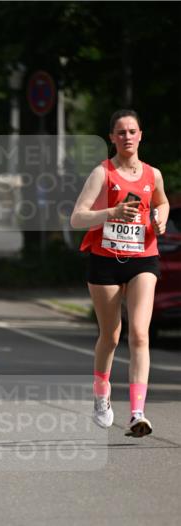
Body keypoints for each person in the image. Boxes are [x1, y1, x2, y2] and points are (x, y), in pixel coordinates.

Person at [71, 109, 169, 438]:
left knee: (139, 334)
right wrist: (111, 211)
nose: (127, 137)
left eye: (132, 131)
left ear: (141, 135)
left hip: (143, 257)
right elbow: (77, 219)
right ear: (112, 138)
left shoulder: (152, 174)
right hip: (105, 260)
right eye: (120, 132)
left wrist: (161, 218)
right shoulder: (103, 173)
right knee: (111, 336)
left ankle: (137, 413)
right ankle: (102, 397)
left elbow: (163, 202)